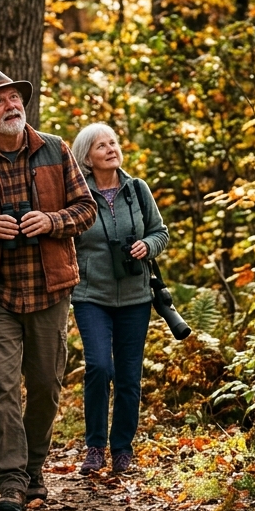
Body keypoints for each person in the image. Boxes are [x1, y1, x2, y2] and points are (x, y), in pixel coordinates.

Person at [0, 69, 96, 511]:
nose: (11, 105)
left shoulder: (55, 149)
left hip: (49, 287)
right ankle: (10, 480)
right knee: (2, 387)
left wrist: (51, 221)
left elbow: (86, 209)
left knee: (46, 386)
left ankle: (33, 467)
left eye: (14, 98)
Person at [69, 123, 169, 476]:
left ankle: (122, 448)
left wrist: (149, 245)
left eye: (113, 142)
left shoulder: (137, 190)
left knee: (128, 376)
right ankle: (95, 447)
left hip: (135, 296)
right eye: (101, 145)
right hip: (89, 294)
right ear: (87, 157)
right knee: (99, 367)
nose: (111, 149)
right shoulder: (78, 195)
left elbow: (160, 231)